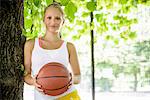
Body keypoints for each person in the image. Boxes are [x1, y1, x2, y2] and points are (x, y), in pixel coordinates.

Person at [24, 2, 81, 100]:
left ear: (63, 22)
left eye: (57, 18)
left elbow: (78, 77)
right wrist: (34, 81)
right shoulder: (31, 44)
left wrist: (71, 79)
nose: (53, 22)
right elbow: (26, 75)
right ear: (44, 20)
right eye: (49, 18)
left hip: (68, 96)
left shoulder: (69, 47)